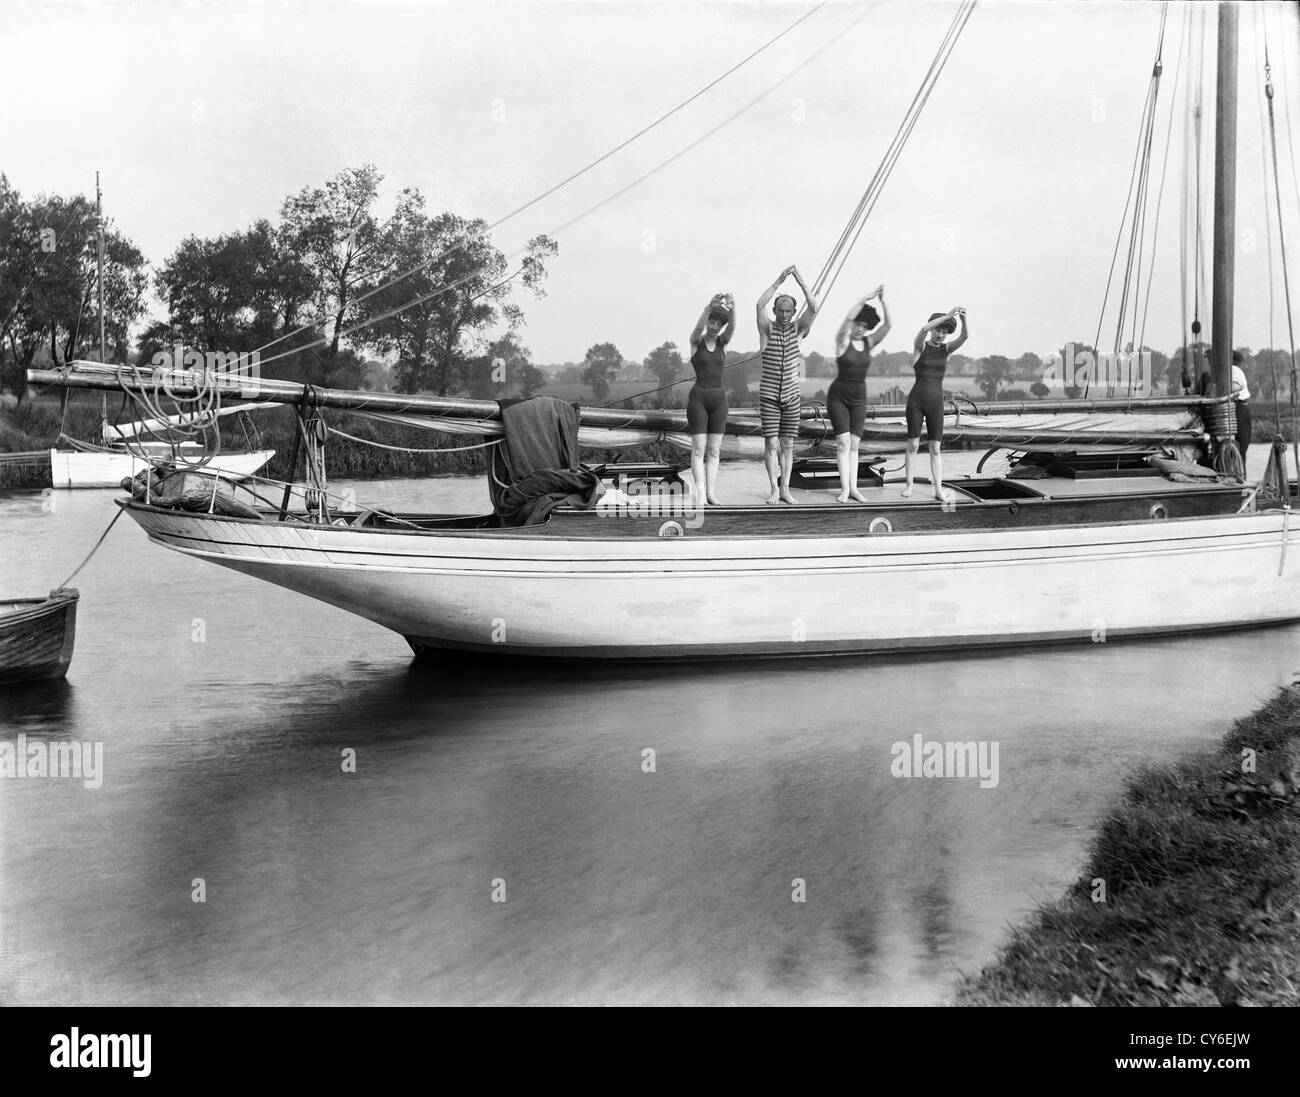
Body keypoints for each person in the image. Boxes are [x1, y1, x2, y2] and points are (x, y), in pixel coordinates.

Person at [756, 265, 819, 504]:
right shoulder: (766, 329)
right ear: (775, 310)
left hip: (792, 396)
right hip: (770, 395)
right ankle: (773, 488)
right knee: (771, 444)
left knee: (788, 445)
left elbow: (813, 307)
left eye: (788, 311)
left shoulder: (798, 330)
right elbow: (759, 305)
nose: (784, 314)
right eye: (781, 310)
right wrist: (779, 281)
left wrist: (801, 281)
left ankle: (785, 489)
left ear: (793, 313)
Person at [829, 286, 890, 502]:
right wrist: (863, 299)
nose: (860, 329)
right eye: (858, 324)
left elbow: (887, 326)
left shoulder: (868, 342)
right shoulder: (842, 341)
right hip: (838, 396)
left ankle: (854, 489)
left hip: (859, 397)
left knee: (855, 445)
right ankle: (845, 489)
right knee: (843, 443)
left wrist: (883, 302)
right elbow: (846, 321)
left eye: (864, 326)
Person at [903, 306, 967, 501]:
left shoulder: (946, 350)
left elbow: (964, 337)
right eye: (938, 330)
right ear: (933, 329)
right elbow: (923, 330)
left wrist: (963, 320)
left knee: (936, 448)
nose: (941, 335)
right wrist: (947, 316)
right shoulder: (920, 347)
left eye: (945, 332)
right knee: (913, 444)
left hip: (936, 403)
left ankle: (938, 490)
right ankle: (909, 485)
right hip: (916, 401)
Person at [686, 294, 735, 505]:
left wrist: (733, 308)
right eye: (711, 322)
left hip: (718, 400)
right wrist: (708, 308)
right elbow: (697, 331)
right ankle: (700, 494)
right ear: (707, 322)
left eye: (718, 323)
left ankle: (711, 494)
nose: (714, 326)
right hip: (699, 399)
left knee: (714, 450)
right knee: (699, 449)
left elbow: (732, 327)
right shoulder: (696, 342)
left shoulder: (723, 343)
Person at [1231, 350, 1251, 464]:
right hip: (1235, 409)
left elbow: (1236, 386)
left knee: (1239, 448)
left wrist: (1215, 388)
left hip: (1239, 409)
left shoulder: (1234, 370)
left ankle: (1239, 475)